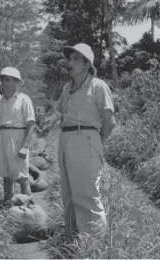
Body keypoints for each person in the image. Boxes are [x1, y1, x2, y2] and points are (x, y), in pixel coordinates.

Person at [55, 43, 116, 241]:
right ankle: (73, 241)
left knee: (87, 194)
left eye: (75, 59)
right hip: (66, 139)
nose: (69, 63)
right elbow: (60, 112)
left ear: (87, 64)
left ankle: (95, 245)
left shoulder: (98, 86)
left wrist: (98, 141)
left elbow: (109, 121)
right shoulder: (67, 88)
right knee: (69, 193)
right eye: (69, 59)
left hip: (87, 139)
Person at [0, 67, 36, 204]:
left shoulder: (23, 99)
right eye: (1, 80)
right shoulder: (0, 102)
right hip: (2, 137)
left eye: (7, 80)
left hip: (17, 137)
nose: (3, 83)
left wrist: (25, 146)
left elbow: (31, 124)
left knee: (22, 176)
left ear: (15, 82)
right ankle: (8, 204)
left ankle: (29, 208)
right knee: (6, 175)